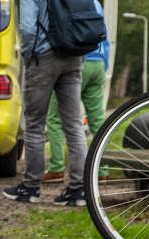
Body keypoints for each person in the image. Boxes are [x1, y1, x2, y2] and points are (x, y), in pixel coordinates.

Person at [1, 0, 88, 206]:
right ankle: (79, 189)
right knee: (74, 125)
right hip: (74, 55)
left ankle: (30, 187)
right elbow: (86, 22)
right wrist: (79, 60)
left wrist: (29, 57)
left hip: (43, 56)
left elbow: (28, 27)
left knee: (35, 124)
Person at [42, 0, 110, 184]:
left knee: (55, 118)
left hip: (79, 60)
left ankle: (56, 168)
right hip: (98, 63)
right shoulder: (95, 3)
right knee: (97, 120)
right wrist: (104, 68)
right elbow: (105, 35)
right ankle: (102, 170)